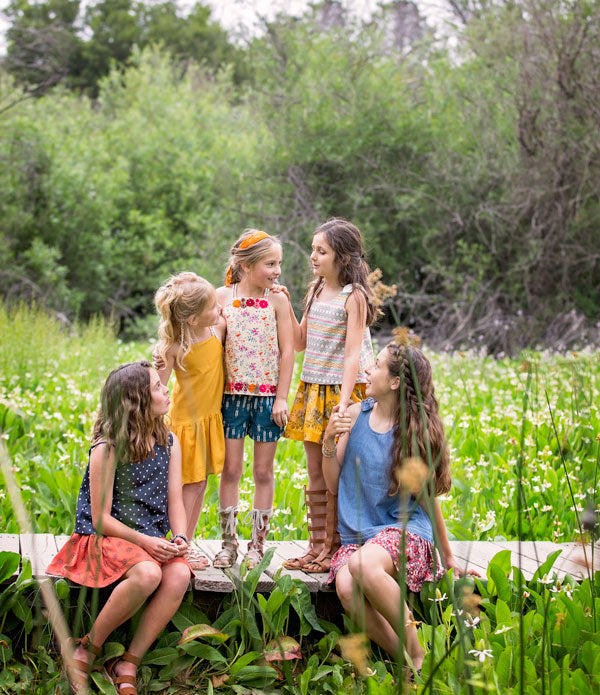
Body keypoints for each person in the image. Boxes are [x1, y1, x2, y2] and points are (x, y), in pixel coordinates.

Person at [322, 342, 477, 673]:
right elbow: (333, 483)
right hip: (358, 537)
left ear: (394, 382)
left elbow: (427, 500)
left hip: (405, 532)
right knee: (347, 586)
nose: (367, 368)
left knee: (363, 566)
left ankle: (417, 652)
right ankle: (408, 660)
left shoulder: (411, 431)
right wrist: (327, 443)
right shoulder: (354, 415)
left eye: (376, 364)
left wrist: (449, 557)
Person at [47, 362, 191, 694]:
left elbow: (175, 502)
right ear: (136, 402)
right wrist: (146, 542)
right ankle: (87, 647)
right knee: (149, 574)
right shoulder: (108, 447)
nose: (166, 390)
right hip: (107, 537)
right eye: (158, 387)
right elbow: (100, 519)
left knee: (179, 575)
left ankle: (128, 661)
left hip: (149, 542)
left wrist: (180, 537)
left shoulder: (169, 442)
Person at [283, 218, 377, 573]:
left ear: (342, 256)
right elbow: (300, 341)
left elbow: (353, 353)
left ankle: (332, 546)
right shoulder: (316, 290)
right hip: (312, 389)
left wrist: (344, 403)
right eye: (313, 250)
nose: (313, 256)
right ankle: (314, 545)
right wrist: (287, 306)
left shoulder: (354, 296)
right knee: (314, 472)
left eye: (321, 251)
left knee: (334, 469)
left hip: (341, 392)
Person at [213, 229, 294, 569]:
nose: (276, 271)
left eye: (279, 263)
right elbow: (211, 343)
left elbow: (288, 350)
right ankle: (228, 543)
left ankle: (256, 546)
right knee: (230, 470)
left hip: (266, 400)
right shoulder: (220, 297)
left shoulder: (278, 300)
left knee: (263, 471)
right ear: (245, 265)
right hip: (231, 397)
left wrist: (281, 398)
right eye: (270, 263)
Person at [154, 272, 226, 571]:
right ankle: (180, 543)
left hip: (209, 421)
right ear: (193, 318)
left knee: (199, 485)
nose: (219, 308)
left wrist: (193, 278)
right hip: (185, 424)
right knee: (185, 487)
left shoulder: (217, 328)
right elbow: (156, 387)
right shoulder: (173, 348)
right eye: (212, 305)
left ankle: (183, 542)